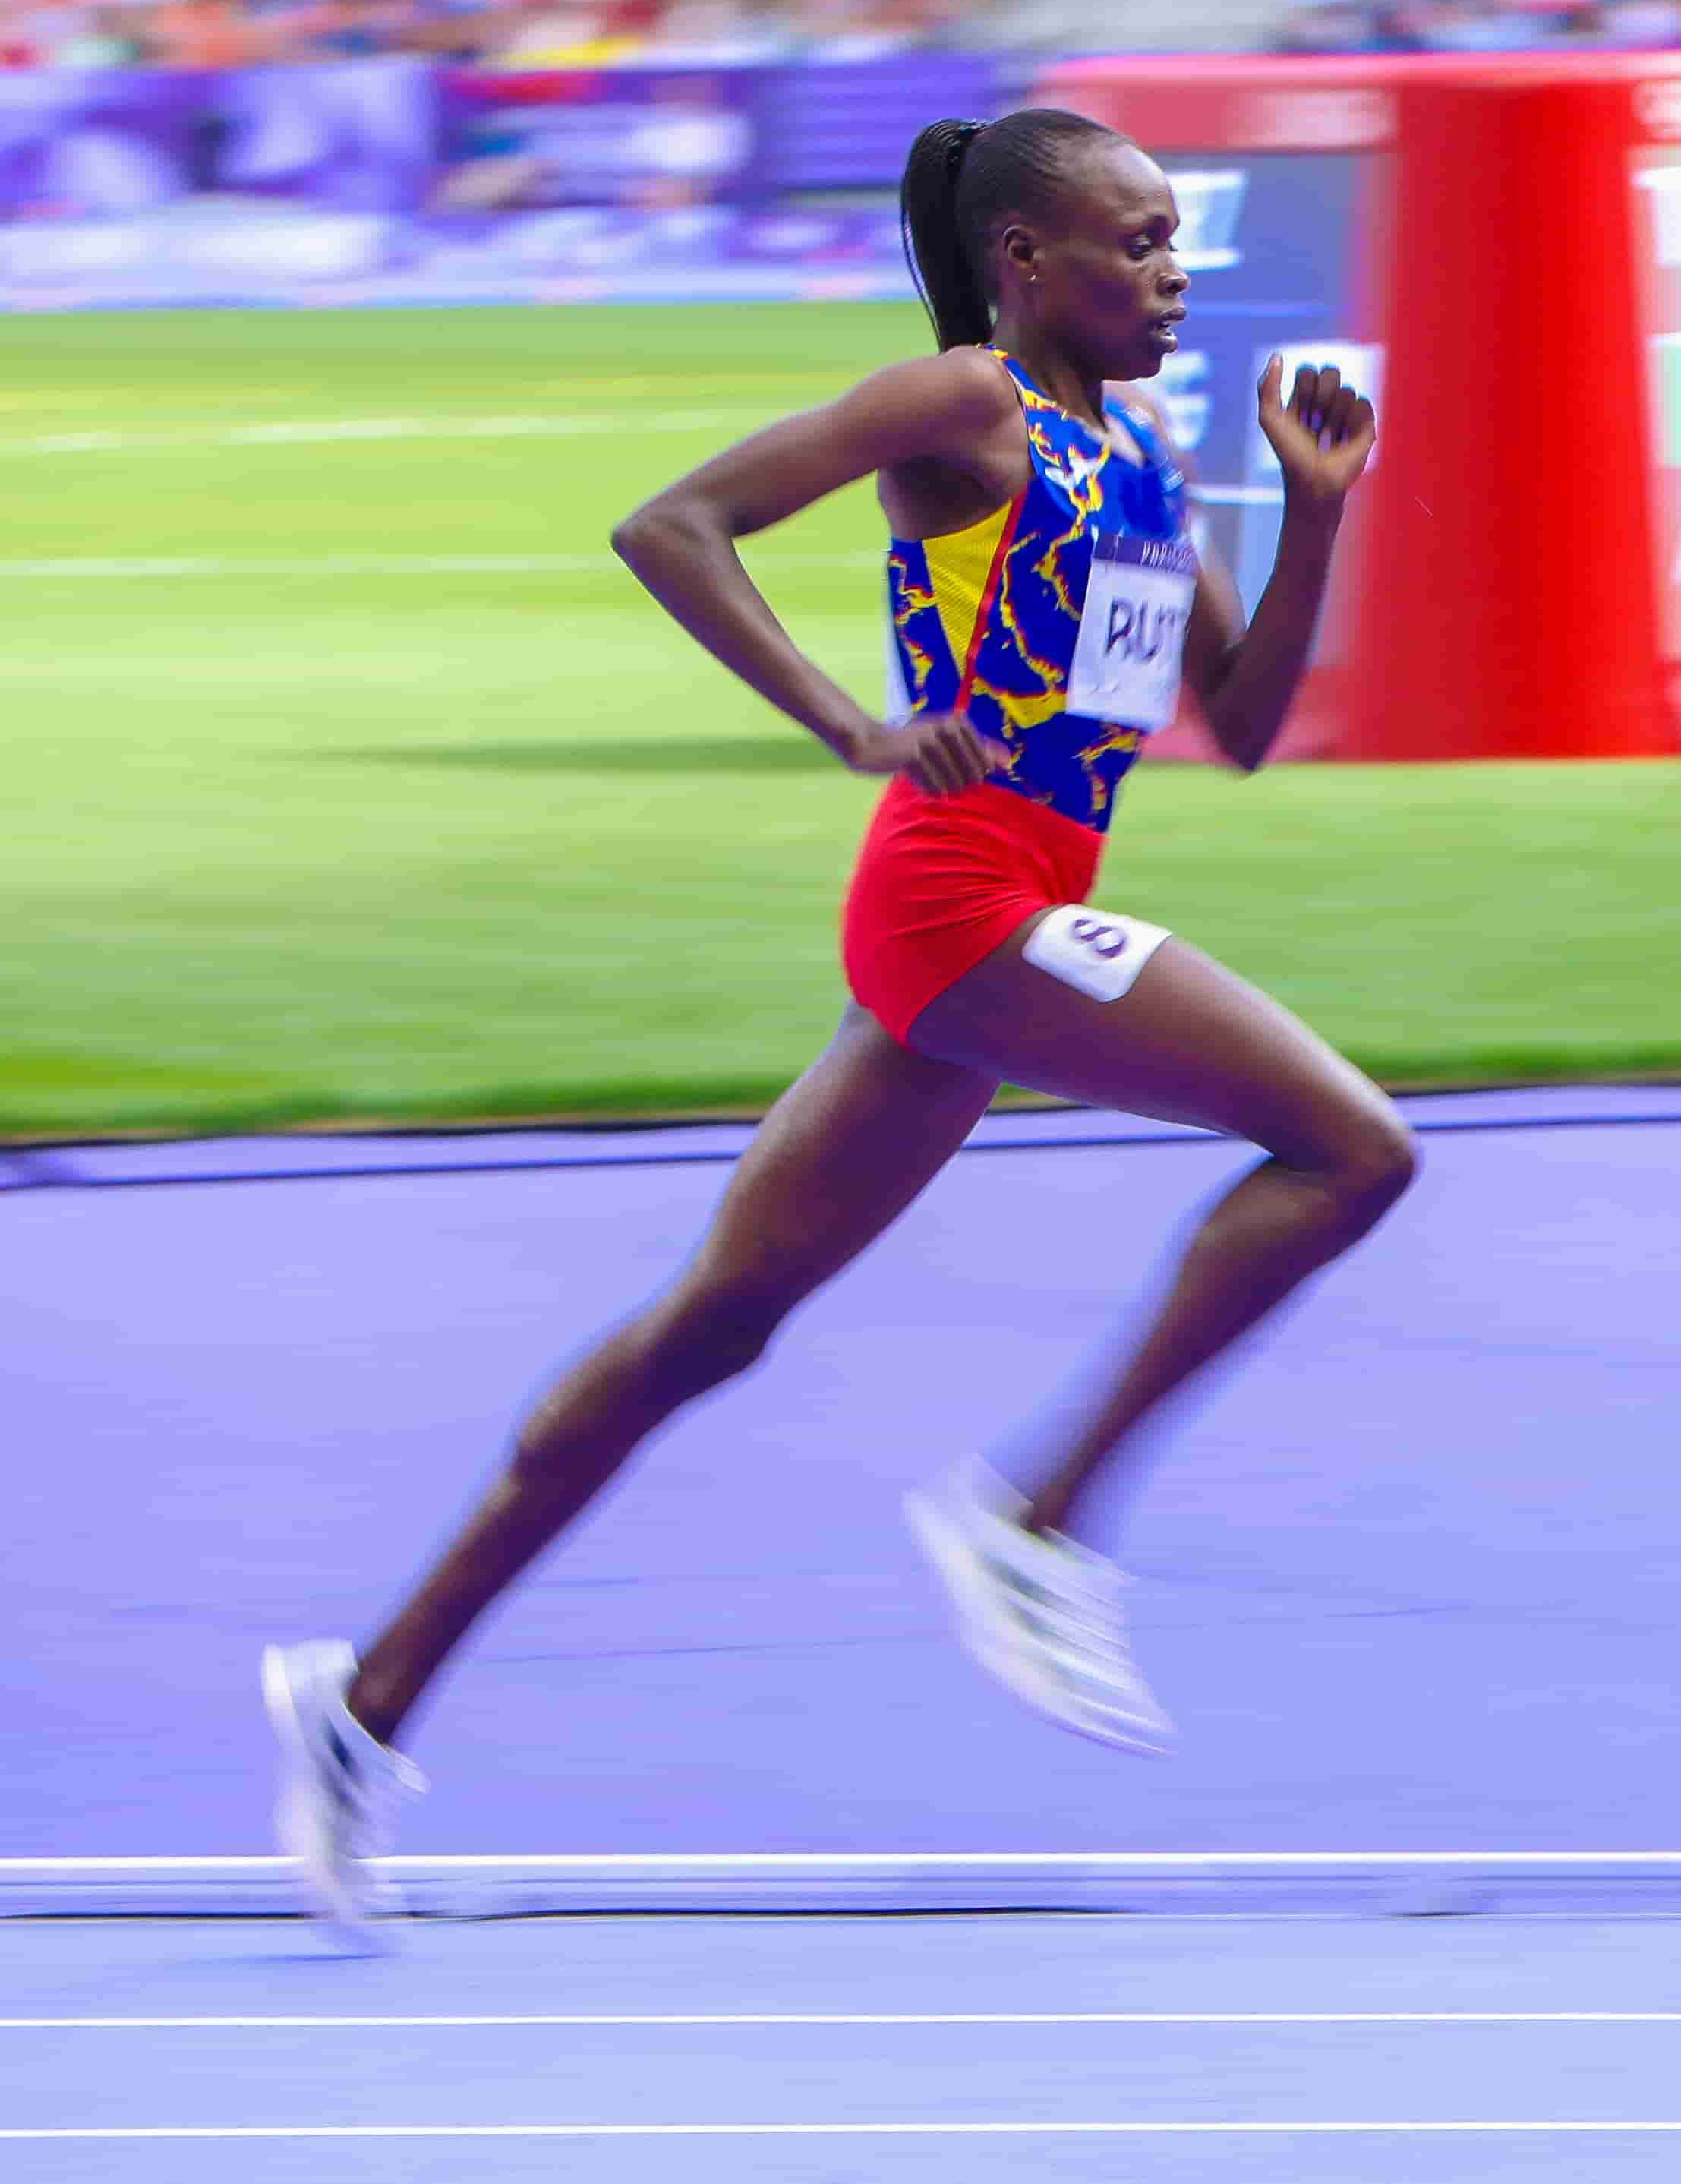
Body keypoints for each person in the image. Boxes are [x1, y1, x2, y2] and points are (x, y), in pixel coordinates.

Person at [260, 109, 1408, 1947]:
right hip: (967, 905)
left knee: (707, 1330)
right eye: (1137, 240)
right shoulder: (959, 404)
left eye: (1180, 238)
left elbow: (1250, 723)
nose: (1174, 272)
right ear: (1026, 260)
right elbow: (674, 523)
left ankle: (361, 1702)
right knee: (1354, 1148)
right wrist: (843, 717)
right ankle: (1035, 1517)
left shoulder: (1139, 453)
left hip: (1011, 922)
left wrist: (1316, 514)